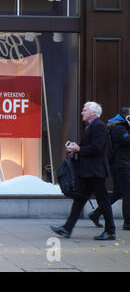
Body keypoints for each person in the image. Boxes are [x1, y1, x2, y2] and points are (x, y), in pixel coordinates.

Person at [50, 101, 116, 240]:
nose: (82, 112)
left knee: (102, 200)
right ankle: (67, 228)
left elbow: (97, 148)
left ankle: (110, 231)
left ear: (93, 112)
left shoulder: (98, 126)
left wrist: (79, 149)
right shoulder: (90, 126)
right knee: (80, 200)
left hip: (95, 171)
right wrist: (76, 149)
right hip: (88, 171)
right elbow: (90, 147)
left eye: (85, 110)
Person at [88, 107, 130, 231]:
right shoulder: (118, 128)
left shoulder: (123, 127)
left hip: (122, 164)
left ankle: (95, 214)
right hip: (121, 165)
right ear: (125, 117)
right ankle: (128, 222)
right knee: (128, 193)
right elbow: (127, 140)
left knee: (118, 192)